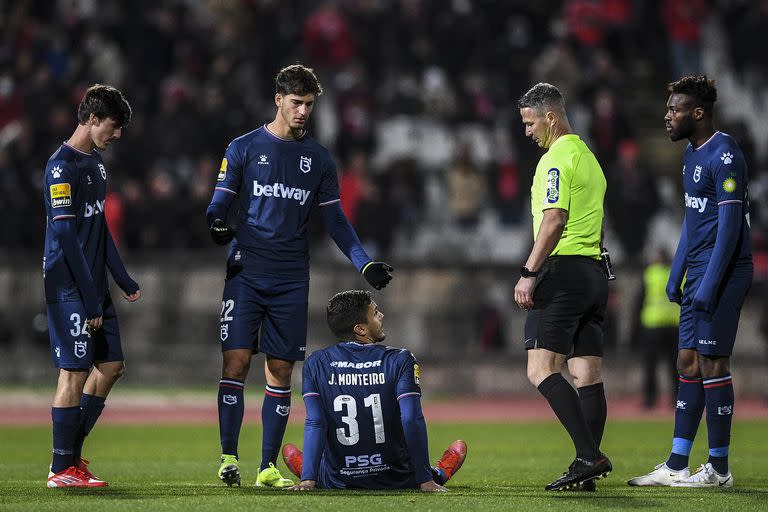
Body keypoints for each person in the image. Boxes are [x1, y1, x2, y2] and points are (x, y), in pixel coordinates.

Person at [206, 64, 393, 488]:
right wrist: (217, 222)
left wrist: (365, 262)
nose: (304, 111)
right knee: (235, 362)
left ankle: (267, 467)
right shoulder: (243, 148)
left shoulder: (319, 160)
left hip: (292, 277)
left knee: (280, 371)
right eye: (296, 103)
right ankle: (228, 457)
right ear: (278, 99)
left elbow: (337, 222)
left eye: (310, 104)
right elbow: (218, 203)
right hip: (246, 273)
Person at [628, 75, 752, 488]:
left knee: (714, 362)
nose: (667, 117)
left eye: (674, 110)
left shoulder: (726, 155)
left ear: (697, 113)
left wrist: (708, 284)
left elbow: (730, 229)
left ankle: (719, 469)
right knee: (686, 361)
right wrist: (679, 272)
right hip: (698, 272)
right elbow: (693, 221)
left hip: (725, 270)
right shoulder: (690, 155)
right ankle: (677, 463)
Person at [515, 83, 612, 491]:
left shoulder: (555, 159)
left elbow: (554, 220)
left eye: (530, 122)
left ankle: (589, 456)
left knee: (540, 370)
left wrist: (529, 271)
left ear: (550, 117)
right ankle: (586, 470)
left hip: (564, 271)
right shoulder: (589, 158)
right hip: (595, 271)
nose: (527, 132)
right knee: (586, 373)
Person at [44, 84, 141, 487]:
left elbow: (98, 227)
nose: (116, 135)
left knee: (112, 366)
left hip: (93, 286)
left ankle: (69, 455)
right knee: (74, 371)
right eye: (114, 127)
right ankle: (60, 469)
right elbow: (66, 238)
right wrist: (89, 300)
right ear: (93, 118)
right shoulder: (60, 167)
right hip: (68, 285)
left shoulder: (97, 167)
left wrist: (121, 278)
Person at [280, 290, 467, 491]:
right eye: (375, 312)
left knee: (295, 455)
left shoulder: (315, 363)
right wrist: (425, 481)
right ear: (360, 329)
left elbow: (316, 422)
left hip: (339, 480)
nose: (381, 316)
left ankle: (310, 474)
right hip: (398, 478)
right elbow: (411, 418)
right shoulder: (400, 359)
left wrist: (308, 481)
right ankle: (437, 473)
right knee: (440, 462)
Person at [634, 249, 680, 409]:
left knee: (650, 366)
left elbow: (639, 301)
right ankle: (677, 399)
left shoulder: (649, 274)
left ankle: (649, 399)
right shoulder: (677, 274)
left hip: (652, 325)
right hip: (673, 326)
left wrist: (635, 328)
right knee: (675, 366)